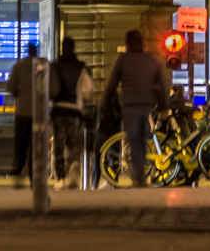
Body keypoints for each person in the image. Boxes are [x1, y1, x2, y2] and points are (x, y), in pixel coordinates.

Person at [99, 29, 167, 186]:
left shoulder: (123, 60)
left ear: (127, 44)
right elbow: (161, 86)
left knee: (134, 140)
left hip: (130, 106)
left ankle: (139, 176)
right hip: (147, 106)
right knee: (142, 141)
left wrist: (105, 103)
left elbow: (112, 84)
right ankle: (140, 174)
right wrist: (163, 107)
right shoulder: (151, 60)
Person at [50, 37, 93, 188]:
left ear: (62, 48)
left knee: (59, 145)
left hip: (58, 109)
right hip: (75, 110)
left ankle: (60, 178)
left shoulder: (55, 66)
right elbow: (88, 89)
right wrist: (81, 97)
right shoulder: (81, 67)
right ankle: (74, 173)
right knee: (73, 144)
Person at [6, 41, 38, 186]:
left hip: (22, 111)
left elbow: (11, 86)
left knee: (20, 144)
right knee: (36, 145)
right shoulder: (43, 66)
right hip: (39, 114)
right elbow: (54, 88)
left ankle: (18, 173)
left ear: (27, 51)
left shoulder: (18, 66)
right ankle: (34, 176)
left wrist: (19, 93)